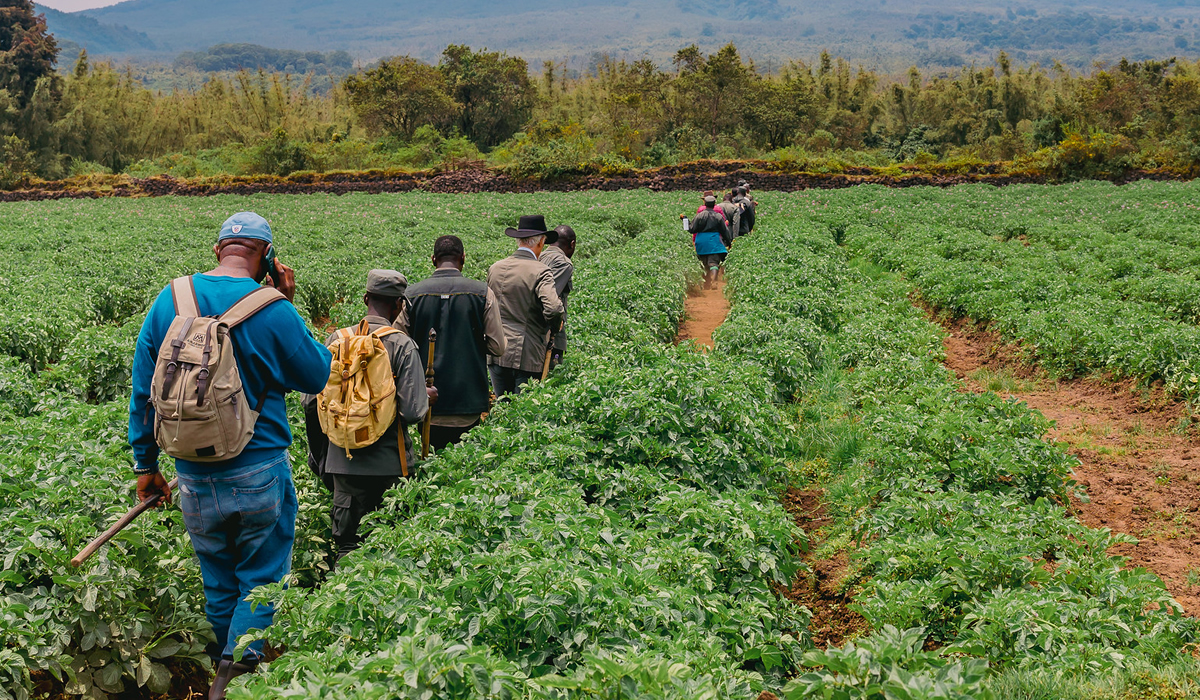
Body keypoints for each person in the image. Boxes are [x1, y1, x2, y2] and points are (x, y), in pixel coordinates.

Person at [127, 212, 332, 700]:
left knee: (219, 580)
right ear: (267, 258)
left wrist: (145, 467)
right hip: (258, 469)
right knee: (262, 578)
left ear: (219, 249)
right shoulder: (273, 307)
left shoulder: (170, 300)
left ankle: (227, 660)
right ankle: (235, 677)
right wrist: (286, 300)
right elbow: (316, 375)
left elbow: (142, 391)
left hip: (193, 475)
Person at [305, 270, 432, 561]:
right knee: (393, 551)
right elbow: (414, 411)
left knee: (348, 548)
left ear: (365, 299)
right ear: (399, 306)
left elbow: (311, 403)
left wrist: (321, 457)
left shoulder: (336, 340)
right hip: (391, 464)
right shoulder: (401, 344)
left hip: (343, 463)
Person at [405, 236, 505, 451]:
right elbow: (498, 346)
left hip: (427, 400)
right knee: (467, 468)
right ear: (463, 258)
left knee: (430, 463)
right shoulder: (482, 293)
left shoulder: (411, 295)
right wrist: (472, 345)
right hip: (468, 399)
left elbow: (398, 345)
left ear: (433, 259)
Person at [486, 215, 565, 397]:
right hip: (526, 354)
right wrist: (555, 325)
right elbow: (553, 308)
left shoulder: (495, 268)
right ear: (540, 242)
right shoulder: (540, 271)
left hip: (496, 351)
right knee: (524, 413)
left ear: (518, 241)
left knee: (503, 408)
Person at [540, 224, 575, 369]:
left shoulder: (538, 256)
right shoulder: (563, 263)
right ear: (572, 244)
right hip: (548, 333)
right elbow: (550, 298)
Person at [690, 195, 732, 289]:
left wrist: (685, 220)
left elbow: (692, 229)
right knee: (714, 262)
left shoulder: (699, 215)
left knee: (704, 263)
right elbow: (724, 231)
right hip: (714, 240)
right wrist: (728, 242)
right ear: (714, 205)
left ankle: (706, 284)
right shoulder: (718, 216)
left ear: (705, 204)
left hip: (701, 241)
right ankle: (714, 281)